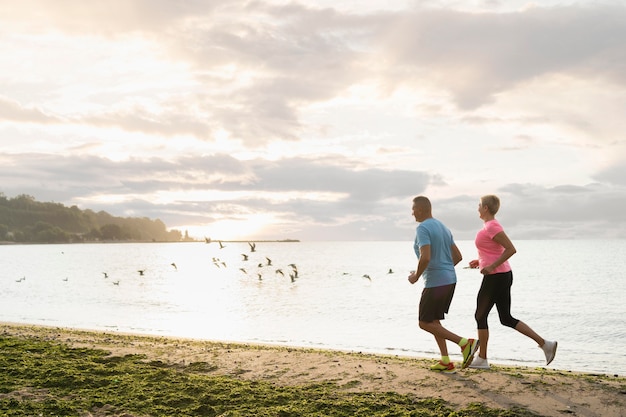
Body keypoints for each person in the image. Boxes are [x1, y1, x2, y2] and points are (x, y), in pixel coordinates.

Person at [468, 194, 557, 370]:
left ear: (486, 208)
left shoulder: (492, 226)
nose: (477, 207)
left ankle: (482, 359)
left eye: (479, 205)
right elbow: (495, 250)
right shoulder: (488, 226)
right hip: (500, 275)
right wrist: (480, 261)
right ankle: (546, 345)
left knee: (480, 315)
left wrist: (491, 266)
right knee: (505, 318)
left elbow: (510, 249)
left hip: (496, 277)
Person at [408, 196, 479, 373]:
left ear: (422, 209)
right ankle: (445, 361)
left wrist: (416, 276)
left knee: (424, 323)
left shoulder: (423, 228)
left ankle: (465, 343)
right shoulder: (443, 227)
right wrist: (444, 269)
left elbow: (425, 257)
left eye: (413, 209)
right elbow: (458, 257)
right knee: (434, 321)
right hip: (449, 280)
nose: (412, 212)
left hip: (435, 282)